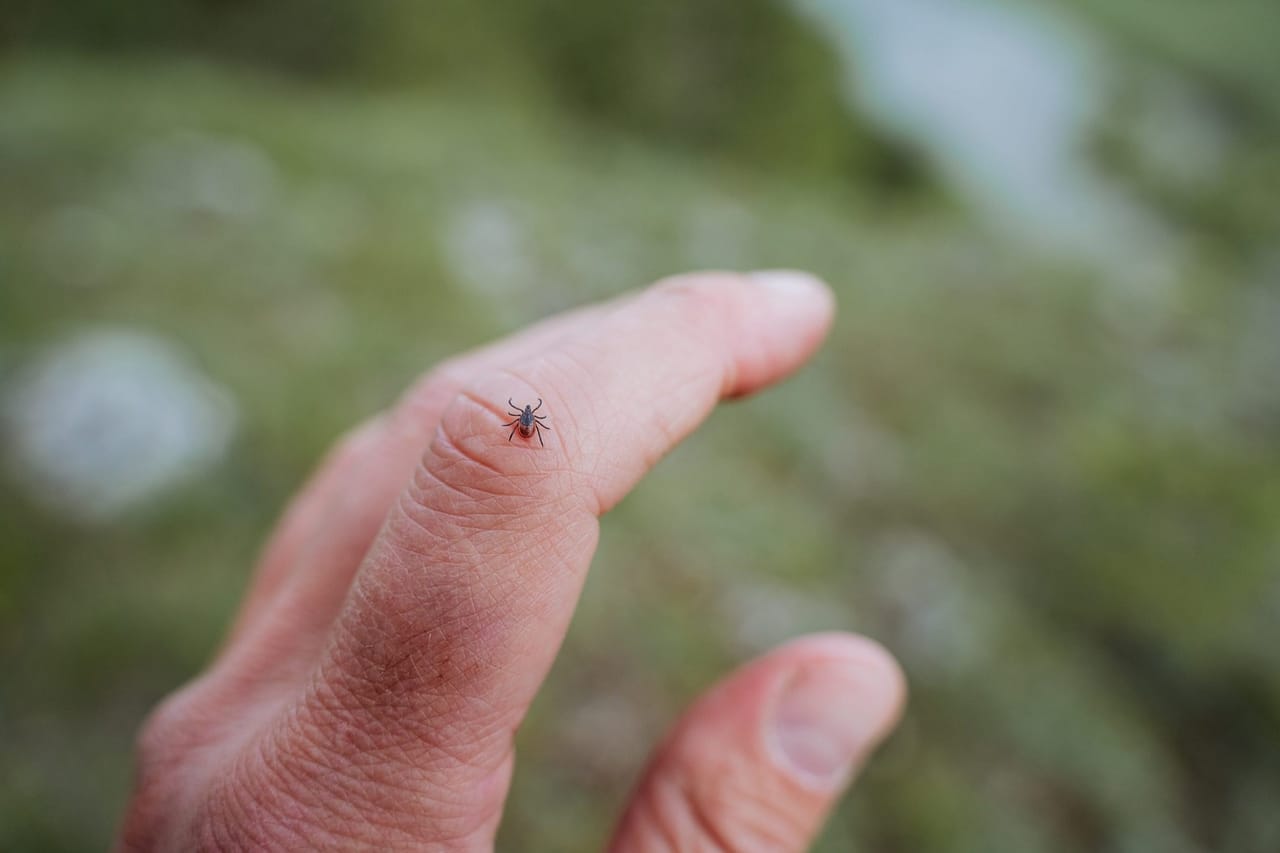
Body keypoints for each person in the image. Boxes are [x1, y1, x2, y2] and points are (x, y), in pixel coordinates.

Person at [117, 271, 906, 851]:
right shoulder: (524, 424)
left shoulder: (524, 423)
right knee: (513, 439)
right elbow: (524, 428)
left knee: (511, 439)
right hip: (527, 437)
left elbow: (524, 428)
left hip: (527, 434)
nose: (525, 420)